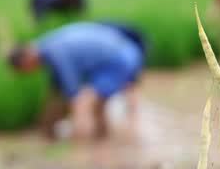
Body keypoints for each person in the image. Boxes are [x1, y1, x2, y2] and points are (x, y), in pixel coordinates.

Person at [8, 21, 147, 141]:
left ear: (27, 59)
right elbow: (56, 90)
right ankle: (102, 139)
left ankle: (82, 148)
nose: (30, 72)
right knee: (97, 102)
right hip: (120, 54)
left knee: (82, 102)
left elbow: (73, 92)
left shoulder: (55, 52)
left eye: (25, 70)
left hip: (119, 59)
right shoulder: (48, 46)